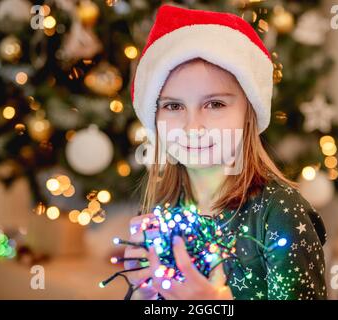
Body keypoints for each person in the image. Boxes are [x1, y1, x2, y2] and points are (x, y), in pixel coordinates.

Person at [124, 4, 327, 300]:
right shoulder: (161, 214)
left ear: (249, 113)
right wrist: (146, 294)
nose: (193, 127)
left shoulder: (280, 214)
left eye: (215, 104)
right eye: (173, 106)